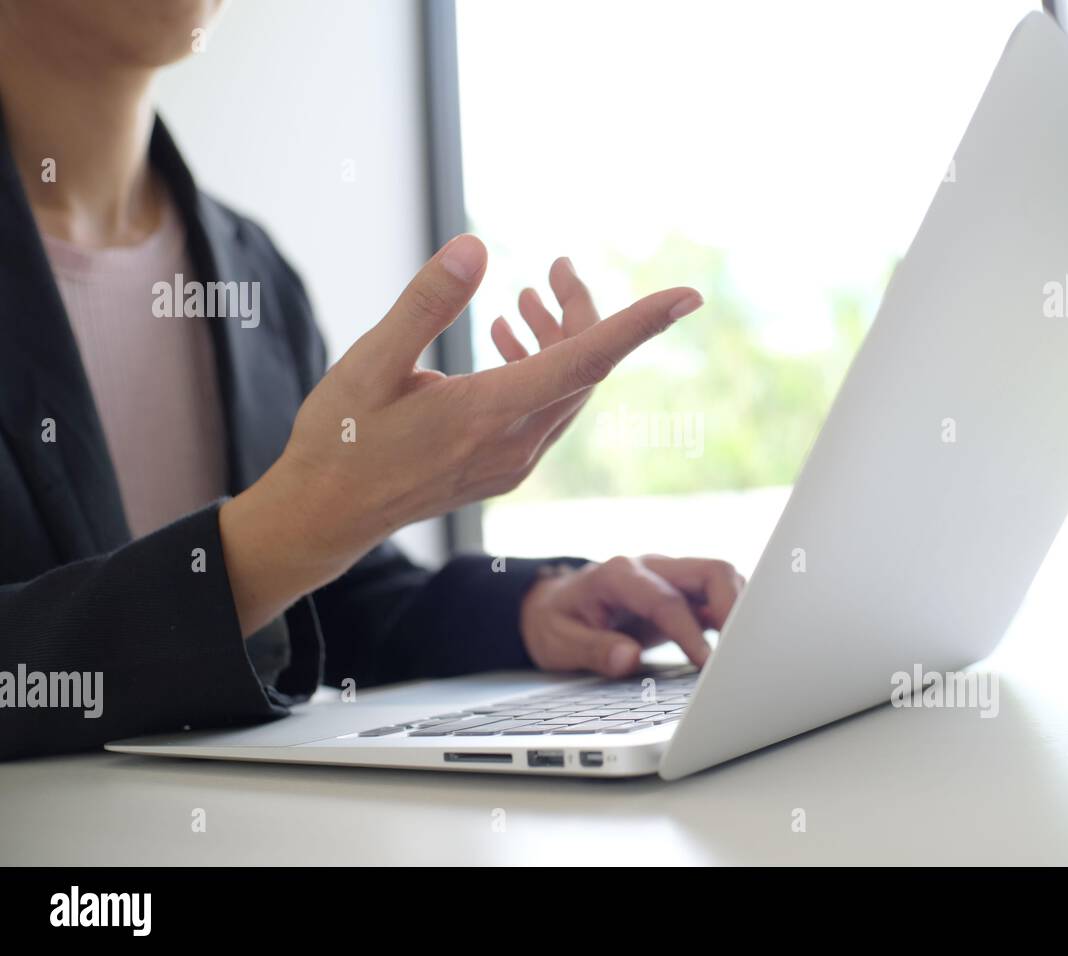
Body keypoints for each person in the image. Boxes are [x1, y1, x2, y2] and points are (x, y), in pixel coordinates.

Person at [0, 0, 744, 760]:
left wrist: (535, 608)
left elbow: (321, 606)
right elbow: (274, 558)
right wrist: (291, 532)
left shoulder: (250, 270)